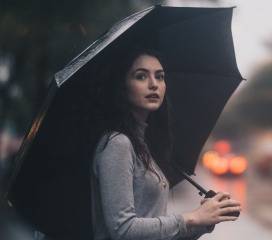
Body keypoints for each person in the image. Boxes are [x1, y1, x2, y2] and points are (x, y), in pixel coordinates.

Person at [91, 47, 242, 239]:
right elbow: (123, 230)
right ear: (122, 85)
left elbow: (159, 233)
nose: (154, 84)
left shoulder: (143, 144)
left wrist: (206, 219)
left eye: (160, 77)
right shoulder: (117, 144)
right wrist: (192, 218)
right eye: (141, 76)